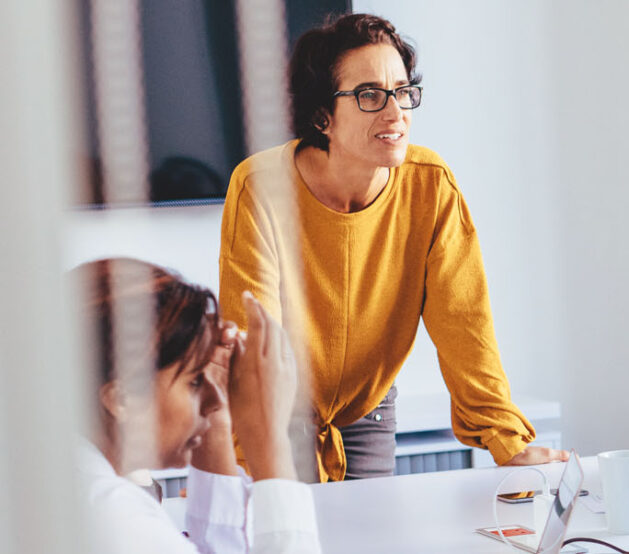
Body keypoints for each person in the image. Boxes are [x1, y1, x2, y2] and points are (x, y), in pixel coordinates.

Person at [218, 13, 562, 481]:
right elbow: (252, 334)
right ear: (323, 115)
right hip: (279, 413)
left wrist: (507, 441)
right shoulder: (259, 187)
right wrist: (248, 457)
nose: (396, 112)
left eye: (402, 92)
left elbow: (465, 324)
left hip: (369, 407)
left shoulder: (430, 184)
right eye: (369, 95)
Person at [77, 258, 319, 553]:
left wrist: (214, 422)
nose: (216, 398)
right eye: (194, 382)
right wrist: (271, 443)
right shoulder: (118, 519)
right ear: (121, 398)